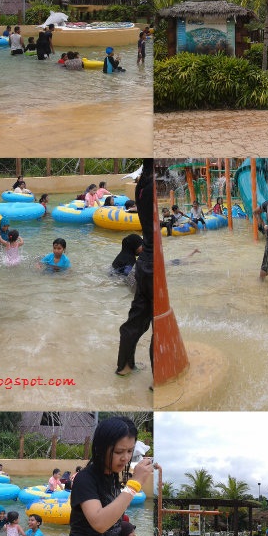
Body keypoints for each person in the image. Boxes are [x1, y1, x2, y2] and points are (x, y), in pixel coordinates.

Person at [116, 161, 153, 379]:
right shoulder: (151, 187)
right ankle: (157, 381)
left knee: (136, 318)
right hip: (153, 263)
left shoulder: (141, 186)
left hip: (143, 265)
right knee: (160, 322)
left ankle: (124, 366)